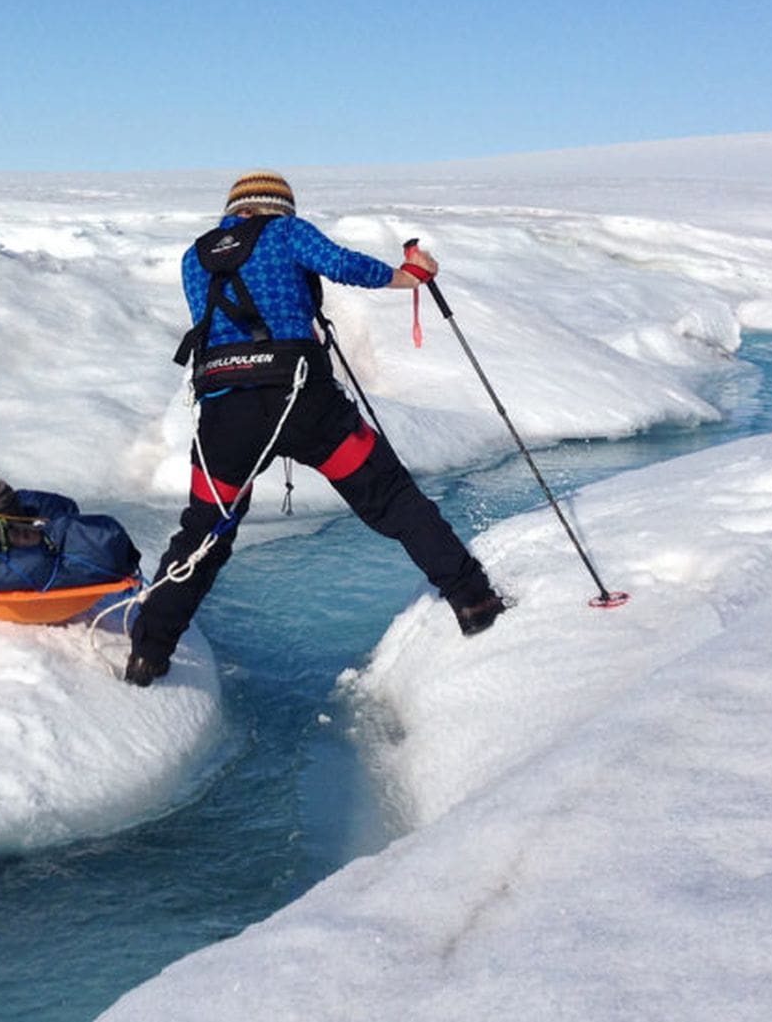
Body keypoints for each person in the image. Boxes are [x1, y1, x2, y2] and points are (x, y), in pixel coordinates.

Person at [126, 171, 507, 686]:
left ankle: (149, 652)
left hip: (224, 418)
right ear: (278, 207)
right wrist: (408, 276)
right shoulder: (286, 232)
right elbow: (343, 265)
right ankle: (473, 599)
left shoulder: (195, 256)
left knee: (203, 531)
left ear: (232, 209)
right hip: (305, 403)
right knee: (391, 498)